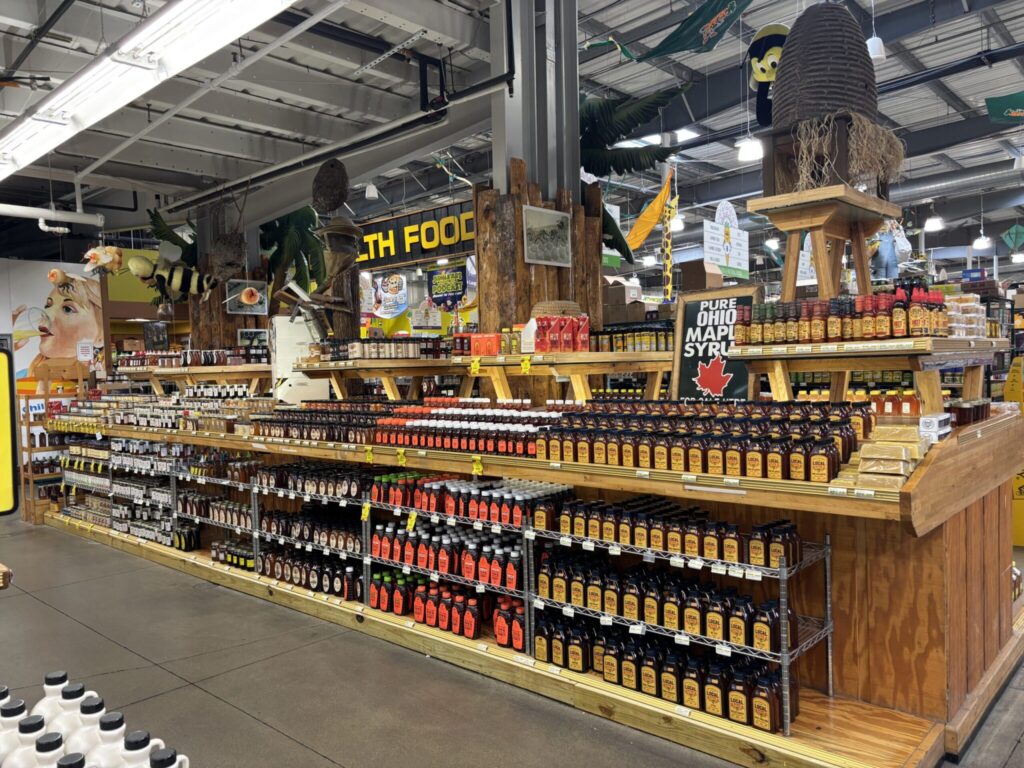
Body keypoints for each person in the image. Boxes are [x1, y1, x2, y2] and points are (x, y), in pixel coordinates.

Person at [11, 269, 103, 392]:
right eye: (48, 307)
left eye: (67, 309)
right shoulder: (22, 377)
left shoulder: (94, 378)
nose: (44, 318)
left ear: (101, 335)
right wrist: (5, 353)